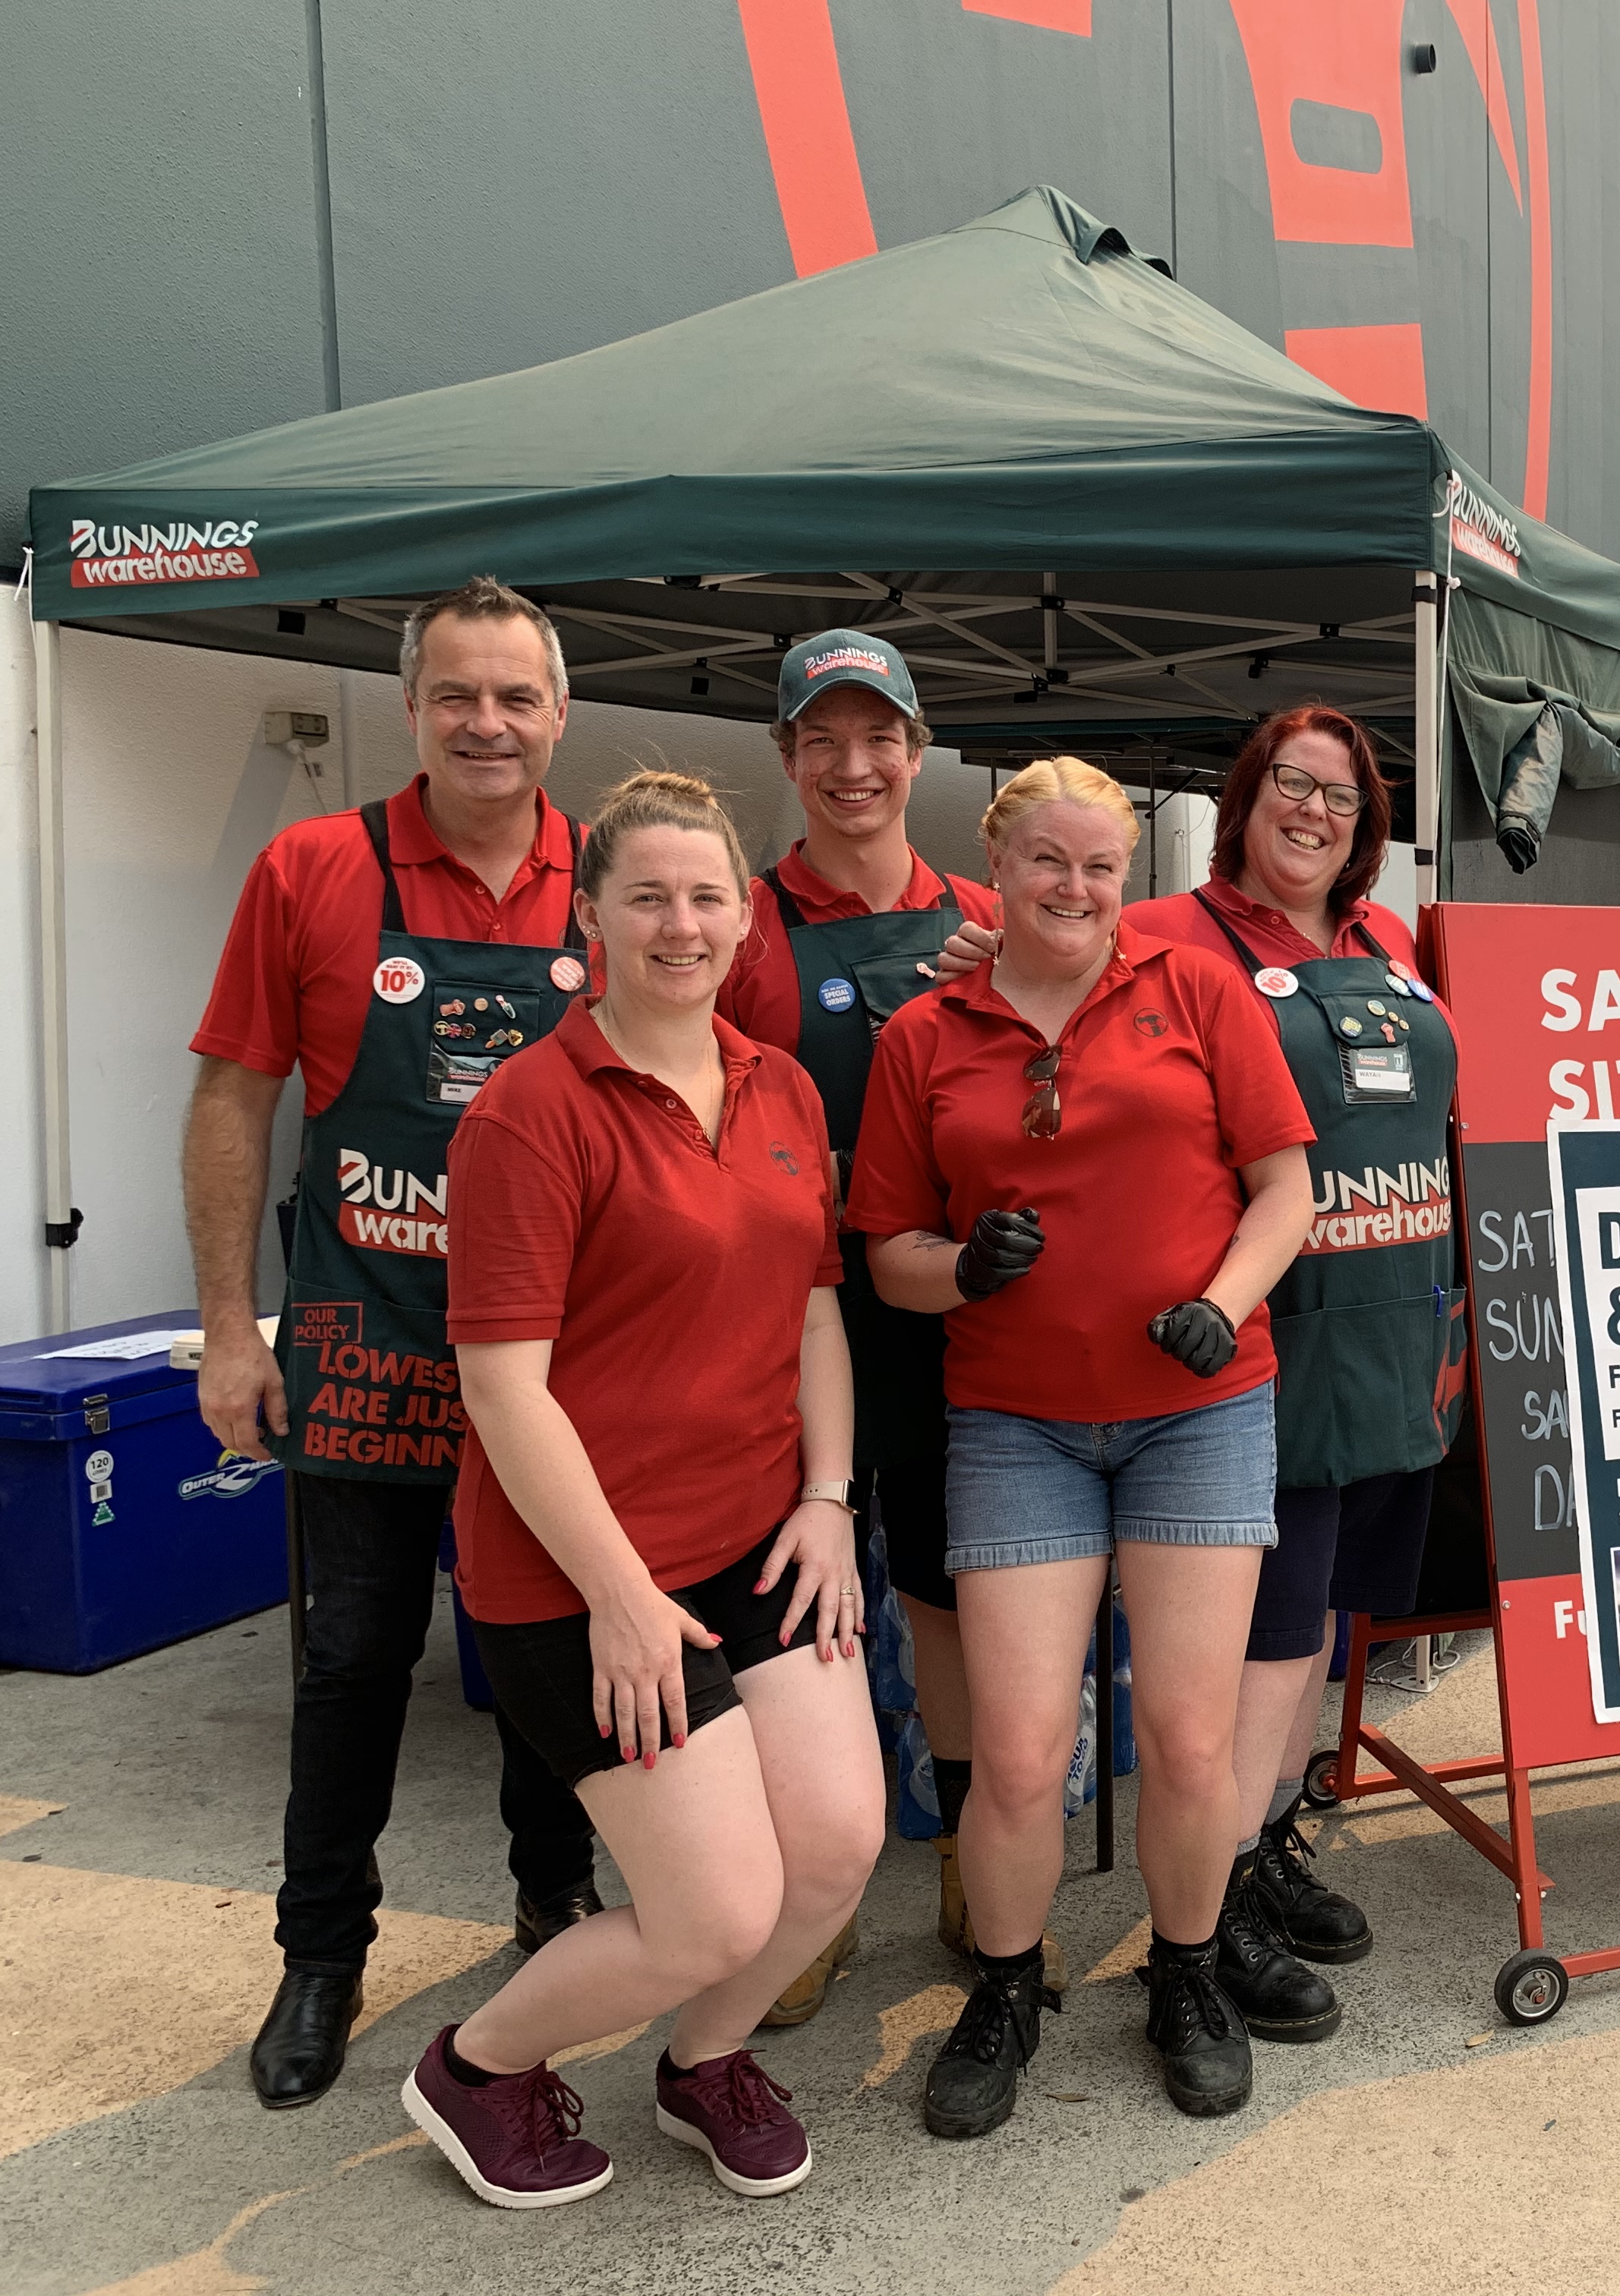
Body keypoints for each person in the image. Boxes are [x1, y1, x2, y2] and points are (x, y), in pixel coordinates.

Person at [404, 769, 881, 2209]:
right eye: (650, 897)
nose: (683, 924)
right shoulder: (529, 1115)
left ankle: (704, 2064)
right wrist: (619, 1595)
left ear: (747, 919)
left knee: (840, 1848)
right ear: (593, 914)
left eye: (708, 897)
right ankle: (477, 2071)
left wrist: (830, 1499)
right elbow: (504, 1387)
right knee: (713, 1908)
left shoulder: (782, 1085)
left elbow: (810, 1314)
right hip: (580, 1574)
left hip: (759, 1537)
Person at [183, 576, 602, 2111]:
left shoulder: (615, 882)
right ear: (414, 705)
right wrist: (233, 1332)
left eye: (514, 697)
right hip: (362, 1338)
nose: (484, 723)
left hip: (554, 1368)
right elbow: (234, 1099)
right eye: (455, 695)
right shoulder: (314, 869)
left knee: (547, 1656)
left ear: (558, 714)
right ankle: (320, 1954)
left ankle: (553, 1903)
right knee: (352, 1662)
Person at [849, 759, 1315, 2130]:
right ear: (996, 866)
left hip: (1199, 1413)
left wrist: (1221, 1311)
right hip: (1017, 1423)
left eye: (1101, 866)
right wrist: (964, 1270)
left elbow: (1287, 1187)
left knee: (1183, 1736)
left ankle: (1183, 1974)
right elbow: (887, 1256)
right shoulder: (924, 1033)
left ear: (1130, 874)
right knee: (1019, 1749)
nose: (1075, 889)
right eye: (1047, 862)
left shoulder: (1195, 993)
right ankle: (1004, 1986)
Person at [1128, 704, 1462, 2040]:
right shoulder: (1164, 935)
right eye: (1288, 785)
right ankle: (1213, 1905)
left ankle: (1259, 1847)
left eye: (1338, 792)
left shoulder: (1394, 943)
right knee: (1262, 1648)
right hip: (1264, 1351)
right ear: (1243, 798)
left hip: (1398, 1348)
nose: (1312, 811)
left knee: (1321, 1639)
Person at [715, 631, 999, 2024]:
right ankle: (810, 1896)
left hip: (946, 1319)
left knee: (946, 1597)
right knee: (803, 1606)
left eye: (875, 735)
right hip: (792, 1326)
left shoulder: (989, 918)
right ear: (787, 757)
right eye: (820, 740)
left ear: (918, 744)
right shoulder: (745, 930)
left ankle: (960, 1849)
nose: (852, 766)